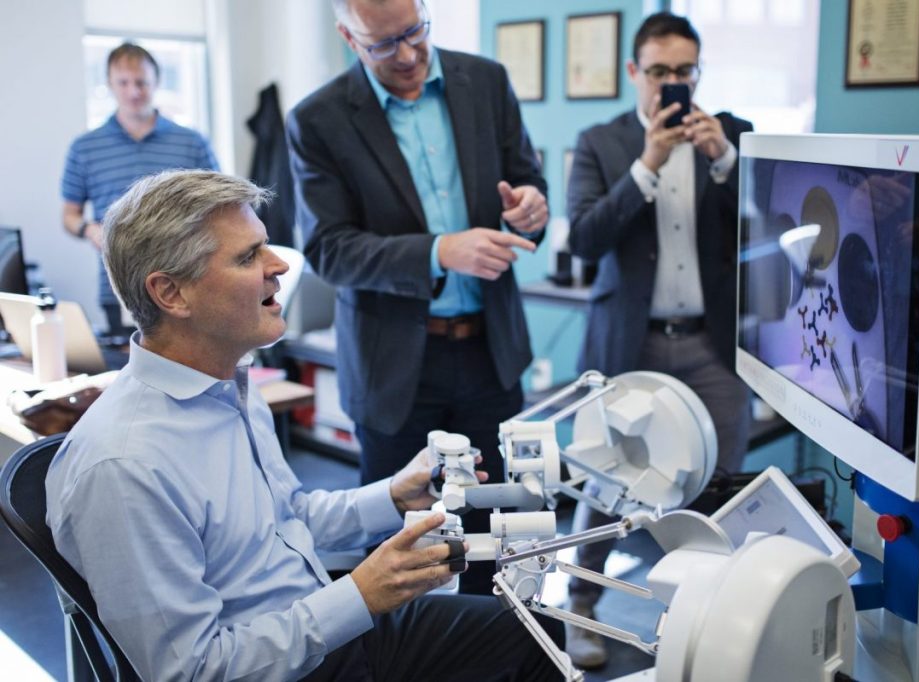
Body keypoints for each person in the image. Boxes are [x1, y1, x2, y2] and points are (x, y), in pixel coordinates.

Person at [45, 169, 562, 681]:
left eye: (265, 246)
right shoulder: (124, 466)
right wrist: (359, 595)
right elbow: (191, 672)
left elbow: (285, 519)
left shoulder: (231, 387)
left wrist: (393, 497)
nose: (278, 266)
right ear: (171, 294)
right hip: (283, 662)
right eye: (248, 256)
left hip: (316, 625)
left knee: (538, 633)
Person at [287, 0, 547, 594]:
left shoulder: (485, 82)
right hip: (394, 367)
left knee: (495, 534)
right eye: (383, 44)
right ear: (347, 37)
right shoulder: (318, 119)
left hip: (491, 352)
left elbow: (530, 181)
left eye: (414, 33)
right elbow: (328, 249)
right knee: (400, 549)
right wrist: (437, 252)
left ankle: (493, 653)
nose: (406, 55)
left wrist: (531, 207)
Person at [565, 12, 753, 669]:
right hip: (627, 346)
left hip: (711, 346)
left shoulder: (730, 138)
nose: (672, 84)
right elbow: (585, 238)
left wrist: (725, 162)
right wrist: (648, 164)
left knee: (722, 479)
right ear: (633, 73)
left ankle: (706, 617)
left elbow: (765, 225)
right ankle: (582, 606)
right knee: (601, 478)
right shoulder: (600, 141)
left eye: (684, 72)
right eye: (659, 72)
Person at [61, 42, 218, 337]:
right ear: (110, 84)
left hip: (187, 279)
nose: (133, 91)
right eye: (124, 82)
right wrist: (89, 229)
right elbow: (69, 215)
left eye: (141, 82)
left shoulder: (192, 142)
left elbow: (220, 209)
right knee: (131, 367)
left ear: (156, 82)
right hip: (117, 284)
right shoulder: (84, 148)